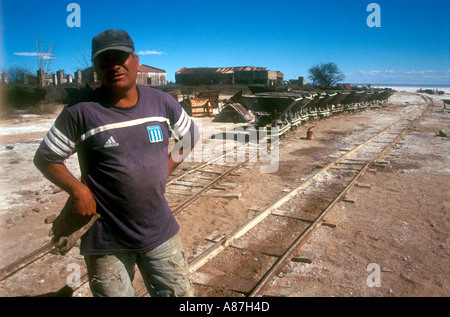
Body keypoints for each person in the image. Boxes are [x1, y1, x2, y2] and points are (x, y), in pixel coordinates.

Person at [34, 29, 199, 297]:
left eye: (120, 58)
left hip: (159, 231)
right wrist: (79, 190)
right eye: (104, 61)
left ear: (135, 60)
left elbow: (190, 135)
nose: (114, 66)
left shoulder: (161, 102)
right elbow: (46, 157)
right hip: (105, 239)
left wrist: (164, 169)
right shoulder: (80, 111)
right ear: (96, 68)